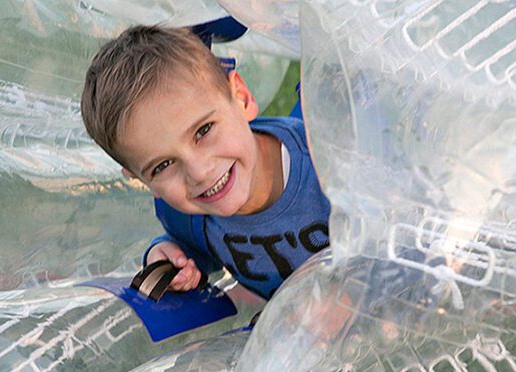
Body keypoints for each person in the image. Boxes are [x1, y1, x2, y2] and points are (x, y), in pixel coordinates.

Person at [81, 25, 330, 299]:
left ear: (242, 98)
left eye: (203, 130)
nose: (198, 172)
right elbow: (195, 248)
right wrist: (169, 254)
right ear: (142, 180)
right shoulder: (186, 217)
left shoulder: (329, 163)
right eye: (163, 166)